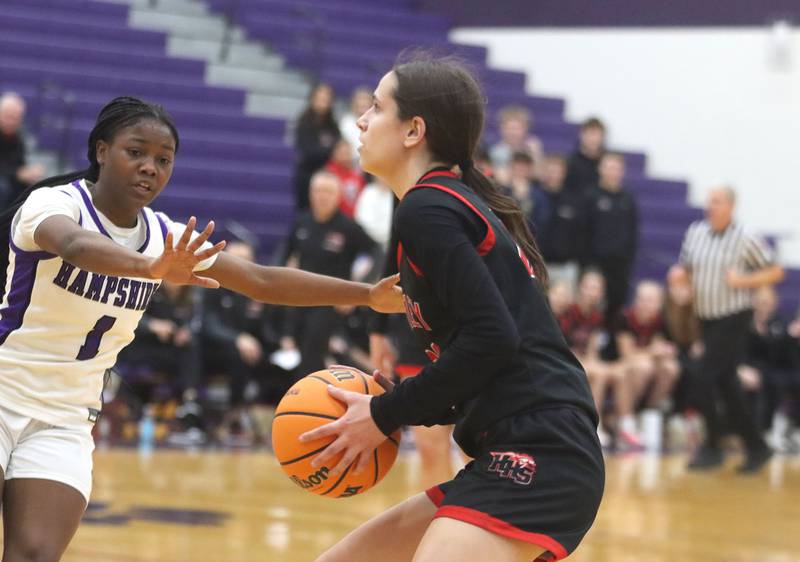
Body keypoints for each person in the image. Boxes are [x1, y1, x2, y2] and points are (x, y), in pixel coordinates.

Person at [0, 96, 403, 562]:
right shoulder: (54, 204)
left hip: (66, 417)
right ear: (102, 151)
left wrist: (367, 295)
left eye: (163, 160)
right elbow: (72, 244)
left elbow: (262, 280)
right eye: (136, 152)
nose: (150, 167)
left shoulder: (165, 236)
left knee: (33, 554)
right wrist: (150, 267)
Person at [302, 56, 603, 562]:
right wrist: (398, 403)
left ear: (414, 130)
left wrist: (382, 414)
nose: (360, 120)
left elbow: (494, 339)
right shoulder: (433, 204)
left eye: (376, 107)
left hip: (540, 451)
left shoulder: (429, 208)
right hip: (514, 448)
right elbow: (482, 354)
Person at [676, 186, 783, 473]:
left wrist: (744, 282)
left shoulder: (745, 237)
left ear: (731, 207)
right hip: (706, 318)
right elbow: (686, 269)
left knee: (701, 375)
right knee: (727, 385)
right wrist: (683, 285)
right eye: (709, 201)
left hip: (734, 316)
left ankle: (713, 446)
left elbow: (774, 271)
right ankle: (757, 447)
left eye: (717, 201)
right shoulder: (695, 232)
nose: (711, 205)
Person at [280, 171, 379, 376]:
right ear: (310, 193)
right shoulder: (302, 222)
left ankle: (305, 404)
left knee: (312, 354)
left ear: (338, 196)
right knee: (293, 351)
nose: (322, 196)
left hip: (330, 301)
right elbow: (285, 255)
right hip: (299, 298)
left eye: (328, 192)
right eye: (318, 191)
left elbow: (378, 252)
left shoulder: (347, 227)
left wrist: (361, 288)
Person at [586, 152, 638, 329]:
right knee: (593, 309)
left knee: (616, 309)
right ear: (600, 169)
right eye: (608, 167)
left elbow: (633, 232)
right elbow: (582, 232)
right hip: (595, 265)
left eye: (616, 168)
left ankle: (611, 350)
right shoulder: (591, 196)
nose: (612, 172)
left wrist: (628, 260)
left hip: (620, 267)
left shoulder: (628, 199)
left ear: (622, 171)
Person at [292, 83, 340, 210]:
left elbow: (338, 147)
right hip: (307, 174)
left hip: (328, 174)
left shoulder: (333, 125)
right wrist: (327, 149)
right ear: (312, 99)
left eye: (326, 99)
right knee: (305, 211)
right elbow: (308, 151)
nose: (323, 102)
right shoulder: (303, 122)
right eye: (320, 98)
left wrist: (326, 149)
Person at [0, 92, 45, 209]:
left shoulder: (19, 137)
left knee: (36, 189)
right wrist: (18, 174)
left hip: (10, 179)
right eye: (8, 116)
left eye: (16, 118)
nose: (11, 121)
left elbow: (19, 163)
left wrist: (30, 173)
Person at [324, 139, 365, 218]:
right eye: (342, 153)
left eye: (347, 153)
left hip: (354, 218)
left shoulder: (357, 175)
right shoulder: (328, 174)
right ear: (334, 154)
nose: (345, 157)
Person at [564, 117, 605, 194]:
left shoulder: (607, 164)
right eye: (590, 134)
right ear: (582, 135)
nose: (594, 139)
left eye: (597, 135)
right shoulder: (571, 163)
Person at [339, 87, 373, 158]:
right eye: (360, 99)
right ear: (353, 103)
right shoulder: (345, 123)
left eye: (365, 99)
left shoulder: (376, 122)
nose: (362, 102)